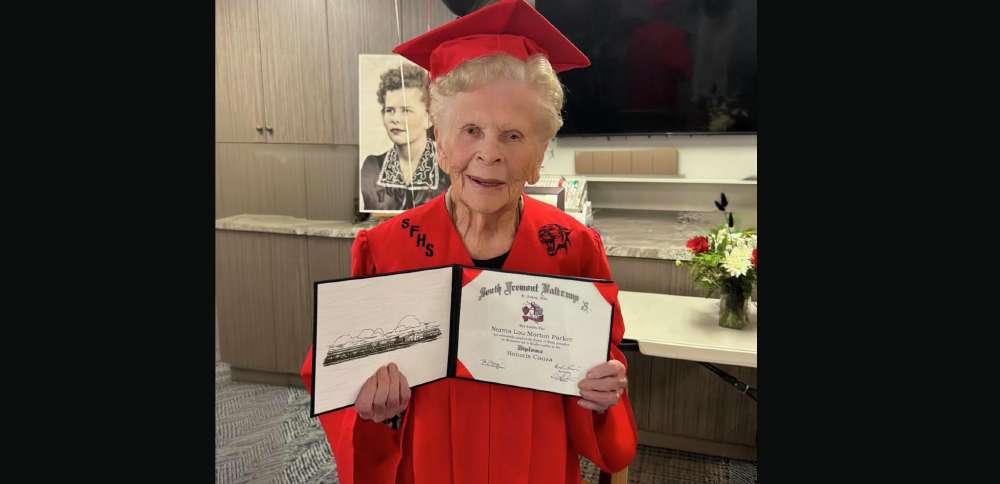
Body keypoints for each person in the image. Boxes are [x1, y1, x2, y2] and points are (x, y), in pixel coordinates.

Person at [302, 1, 637, 482]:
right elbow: (337, 368)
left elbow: (602, 361)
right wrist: (372, 408)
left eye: (514, 135)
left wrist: (603, 393)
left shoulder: (572, 247)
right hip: (428, 463)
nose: (489, 153)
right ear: (439, 141)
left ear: (540, 154)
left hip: (535, 465)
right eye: (471, 130)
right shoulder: (388, 247)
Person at [361, 64, 451, 211]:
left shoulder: (448, 168)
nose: (395, 119)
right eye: (389, 110)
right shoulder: (373, 168)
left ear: (429, 118)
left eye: (406, 110)